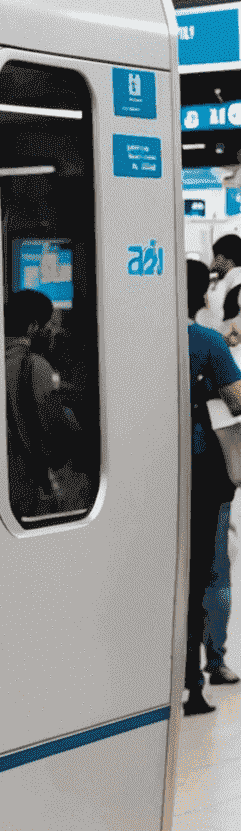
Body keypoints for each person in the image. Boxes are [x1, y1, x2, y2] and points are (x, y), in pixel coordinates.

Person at [185, 260, 241, 716]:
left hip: (157, 474)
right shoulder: (206, 341)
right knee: (213, 569)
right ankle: (213, 664)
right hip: (205, 471)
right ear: (202, 296)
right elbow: (238, 399)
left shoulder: (138, 341)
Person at [3, 289, 78, 519]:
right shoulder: (35, 365)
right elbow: (58, 431)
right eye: (49, 325)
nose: (53, 332)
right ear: (33, 327)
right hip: (27, 485)